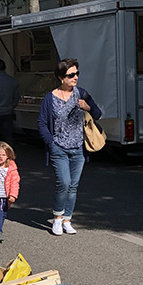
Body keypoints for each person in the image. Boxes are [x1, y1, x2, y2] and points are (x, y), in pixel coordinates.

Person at [38, 58, 101, 236]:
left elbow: (98, 113)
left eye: (77, 74)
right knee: (63, 183)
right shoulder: (50, 98)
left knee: (73, 185)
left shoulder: (81, 93)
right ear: (60, 77)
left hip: (78, 148)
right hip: (59, 148)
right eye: (71, 75)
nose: (75, 78)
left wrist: (87, 107)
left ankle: (67, 219)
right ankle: (57, 218)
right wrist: (51, 143)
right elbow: (42, 122)